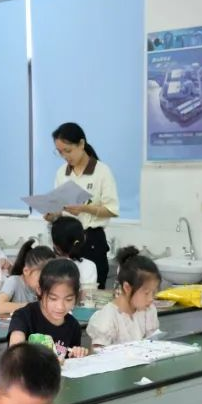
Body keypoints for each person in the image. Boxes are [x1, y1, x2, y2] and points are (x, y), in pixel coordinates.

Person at [44, 122, 119, 288]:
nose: (65, 156)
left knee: (92, 293)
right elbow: (59, 207)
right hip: (65, 242)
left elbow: (111, 210)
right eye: (60, 152)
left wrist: (84, 208)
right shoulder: (61, 173)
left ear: (81, 144)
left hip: (91, 240)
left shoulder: (101, 171)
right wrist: (52, 215)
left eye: (68, 150)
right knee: (63, 289)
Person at [8, 258, 88, 359]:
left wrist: (76, 355)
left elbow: (70, 361)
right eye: (53, 299)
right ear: (40, 291)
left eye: (68, 299)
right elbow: (15, 353)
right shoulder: (23, 316)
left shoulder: (73, 326)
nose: (60, 307)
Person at [87, 246, 161, 347]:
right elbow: (98, 354)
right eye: (146, 293)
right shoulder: (108, 317)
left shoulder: (148, 310)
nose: (151, 299)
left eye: (154, 292)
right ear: (127, 287)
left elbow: (153, 345)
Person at [0, 239, 54, 316]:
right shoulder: (14, 281)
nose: (46, 282)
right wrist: (33, 307)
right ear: (26, 271)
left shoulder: (47, 287)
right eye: (41, 278)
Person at [50, 216, 98, 297]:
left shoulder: (49, 265)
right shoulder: (89, 266)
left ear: (56, 246)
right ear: (83, 239)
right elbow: (88, 297)